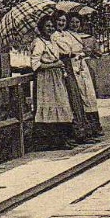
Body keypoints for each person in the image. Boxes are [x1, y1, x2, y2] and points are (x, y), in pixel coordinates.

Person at [31, 15, 76, 150]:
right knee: (50, 107)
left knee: (62, 105)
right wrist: (54, 64)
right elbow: (35, 65)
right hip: (46, 79)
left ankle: (62, 139)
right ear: (41, 28)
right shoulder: (38, 43)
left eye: (52, 26)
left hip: (56, 77)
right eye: (47, 26)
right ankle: (52, 142)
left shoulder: (51, 41)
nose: (50, 28)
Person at [56, 13, 103, 140]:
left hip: (82, 65)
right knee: (80, 95)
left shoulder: (78, 36)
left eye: (77, 22)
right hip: (72, 65)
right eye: (72, 22)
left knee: (89, 94)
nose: (74, 25)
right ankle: (84, 128)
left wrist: (86, 52)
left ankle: (94, 126)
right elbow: (67, 51)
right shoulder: (65, 35)